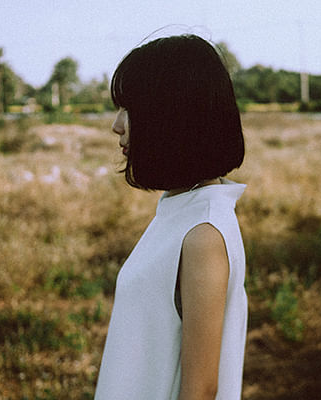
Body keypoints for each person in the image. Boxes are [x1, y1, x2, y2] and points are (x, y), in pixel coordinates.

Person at [94, 34, 247, 400]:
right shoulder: (180, 209)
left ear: (172, 115)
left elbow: (201, 390)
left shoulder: (204, 234)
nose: (117, 125)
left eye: (130, 108)